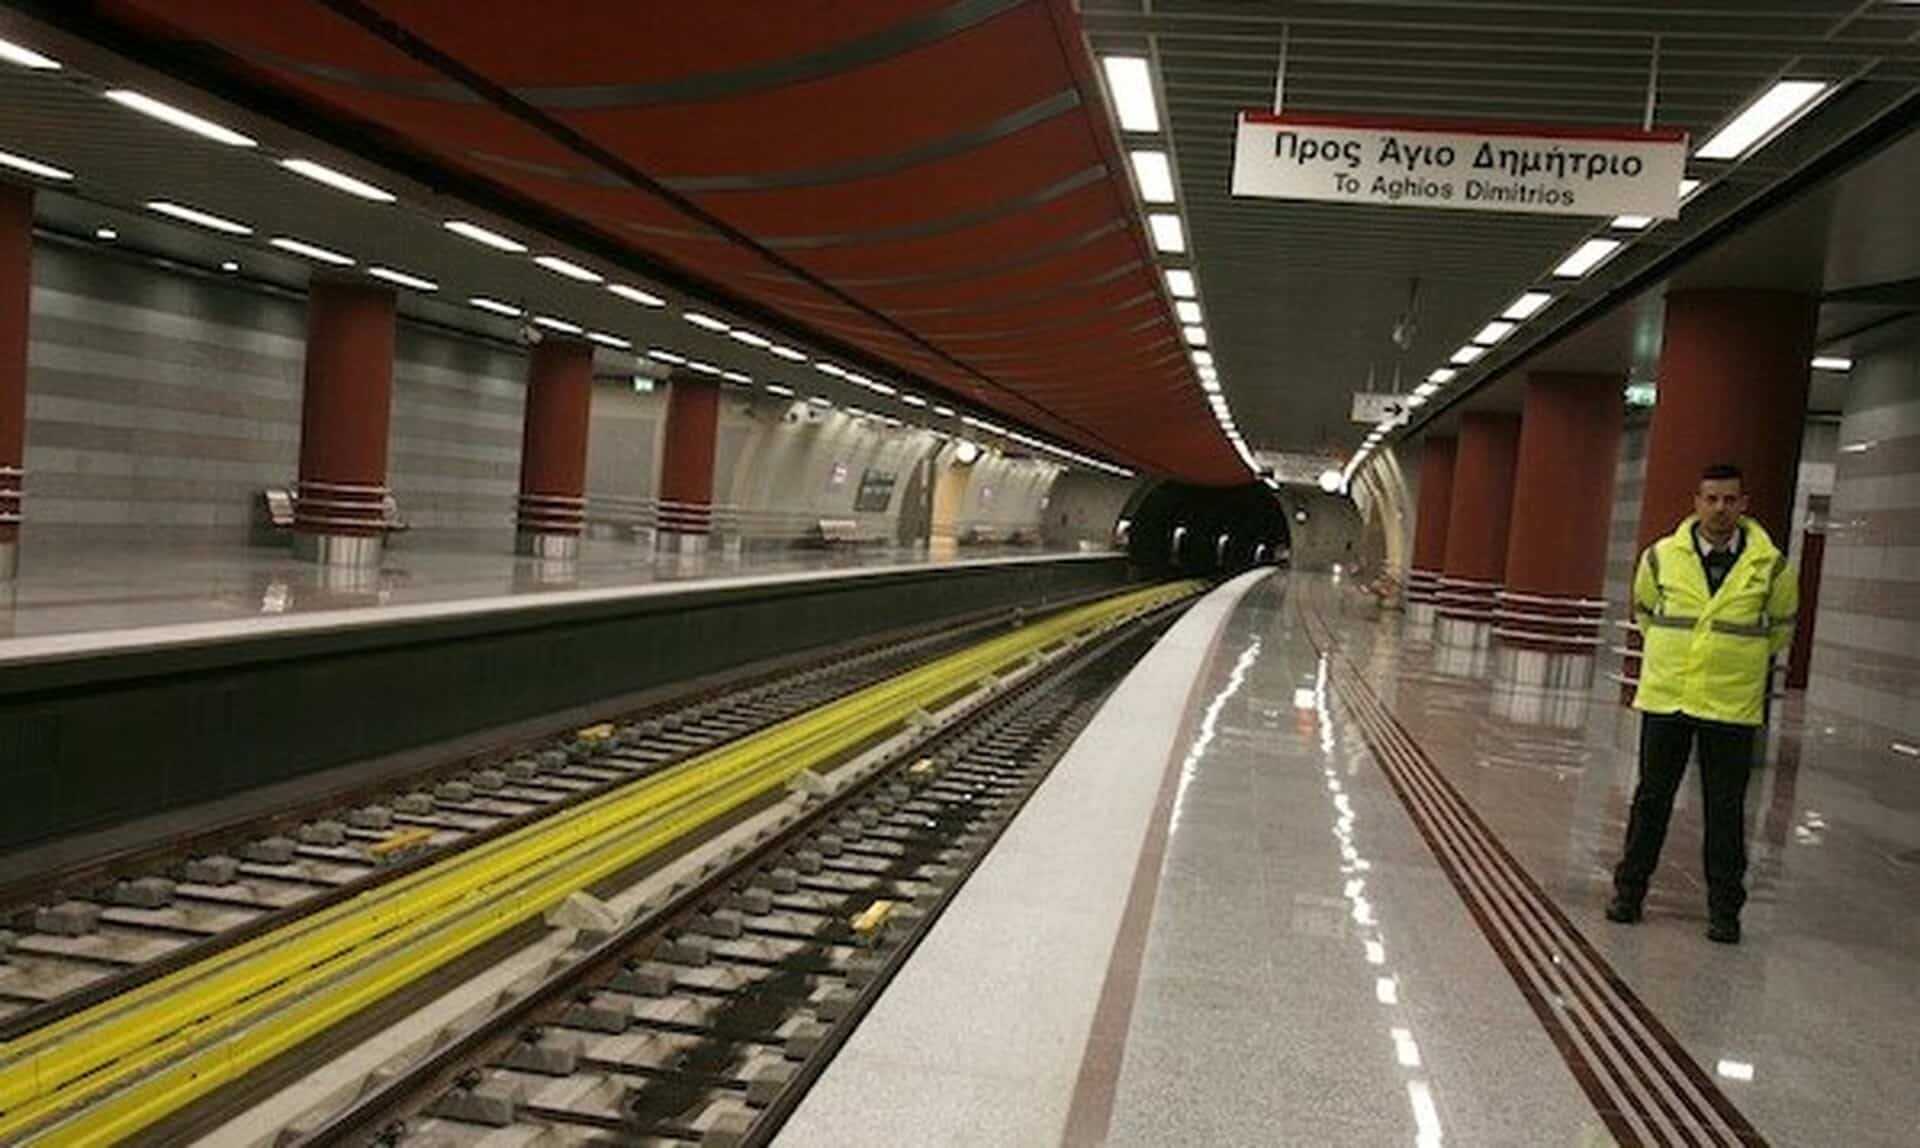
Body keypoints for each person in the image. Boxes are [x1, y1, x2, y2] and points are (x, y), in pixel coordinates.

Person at [1606, 463, 1797, 944]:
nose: (1720, 509)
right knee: (1652, 799)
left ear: (1743, 504)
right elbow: (1645, 611)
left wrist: (1731, 661)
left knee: (1725, 809)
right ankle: (1629, 893)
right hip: (1668, 697)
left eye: (1729, 500)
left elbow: (1781, 628)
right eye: (1711, 499)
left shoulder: (1771, 566)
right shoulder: (1660, 557)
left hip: (1730, 705)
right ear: (1696, 502)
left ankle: (1724, 912)